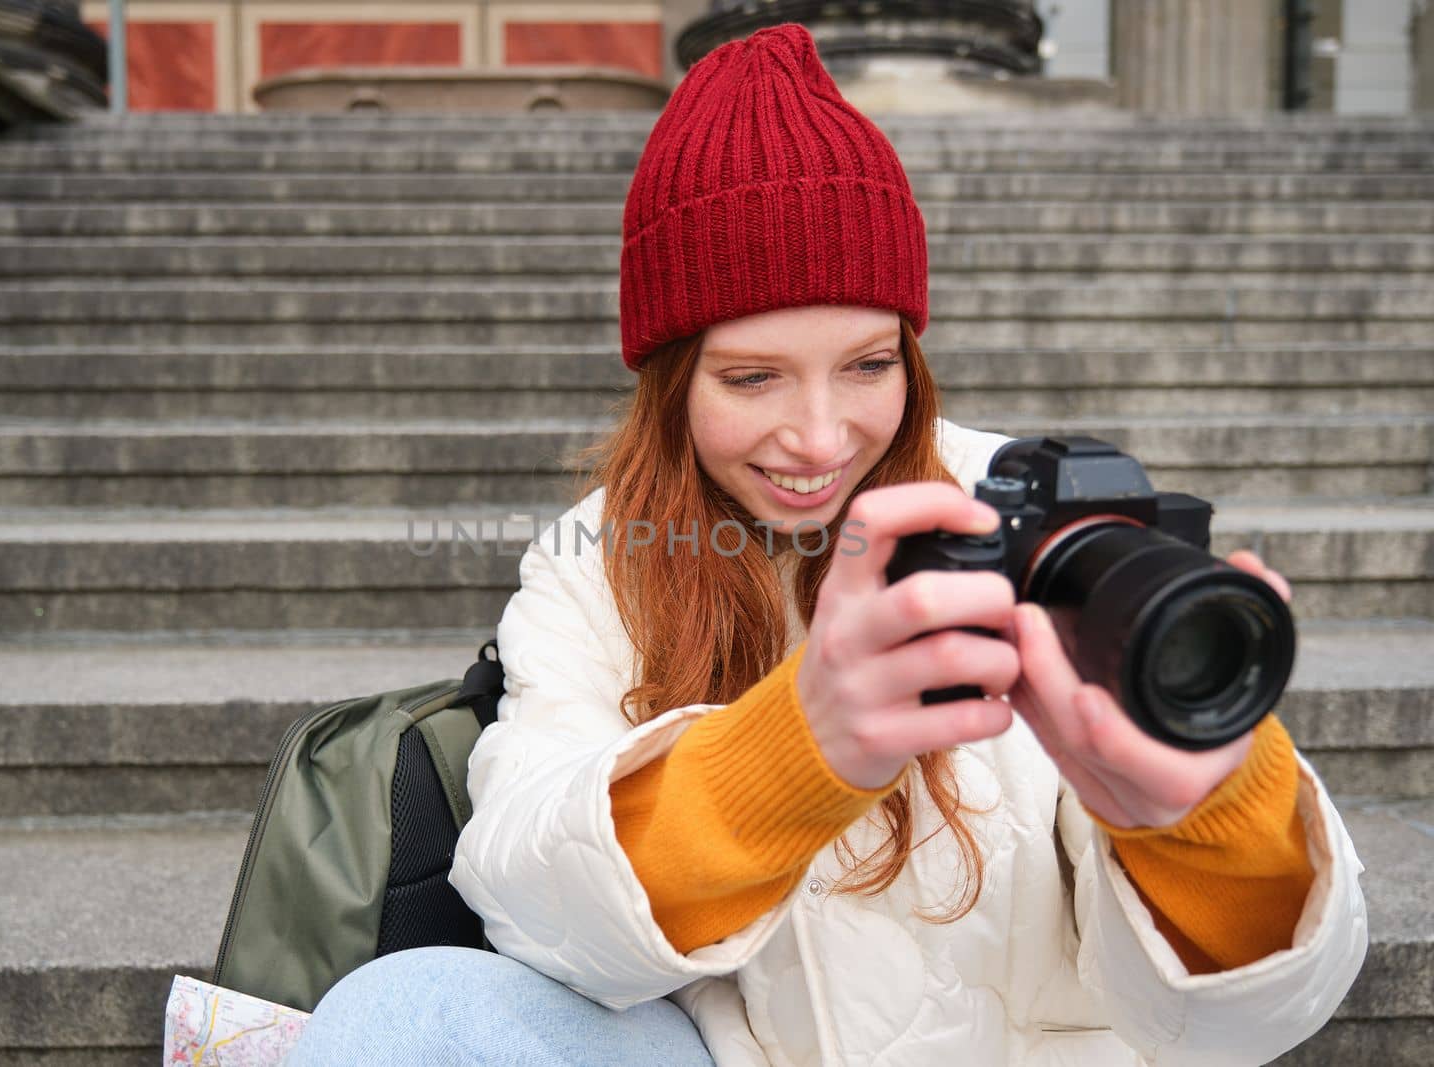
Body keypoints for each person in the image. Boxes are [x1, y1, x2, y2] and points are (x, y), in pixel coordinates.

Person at [286, 22, 1368, 1066]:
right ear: (670, 379)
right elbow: (526, 892)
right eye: (752, 377)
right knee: (400, 1018)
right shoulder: (595, 560)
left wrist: (1203, 818)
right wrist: (794, 751)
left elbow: (1256, 1017)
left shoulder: (1038, 524)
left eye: (866, 364)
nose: (818, 436)